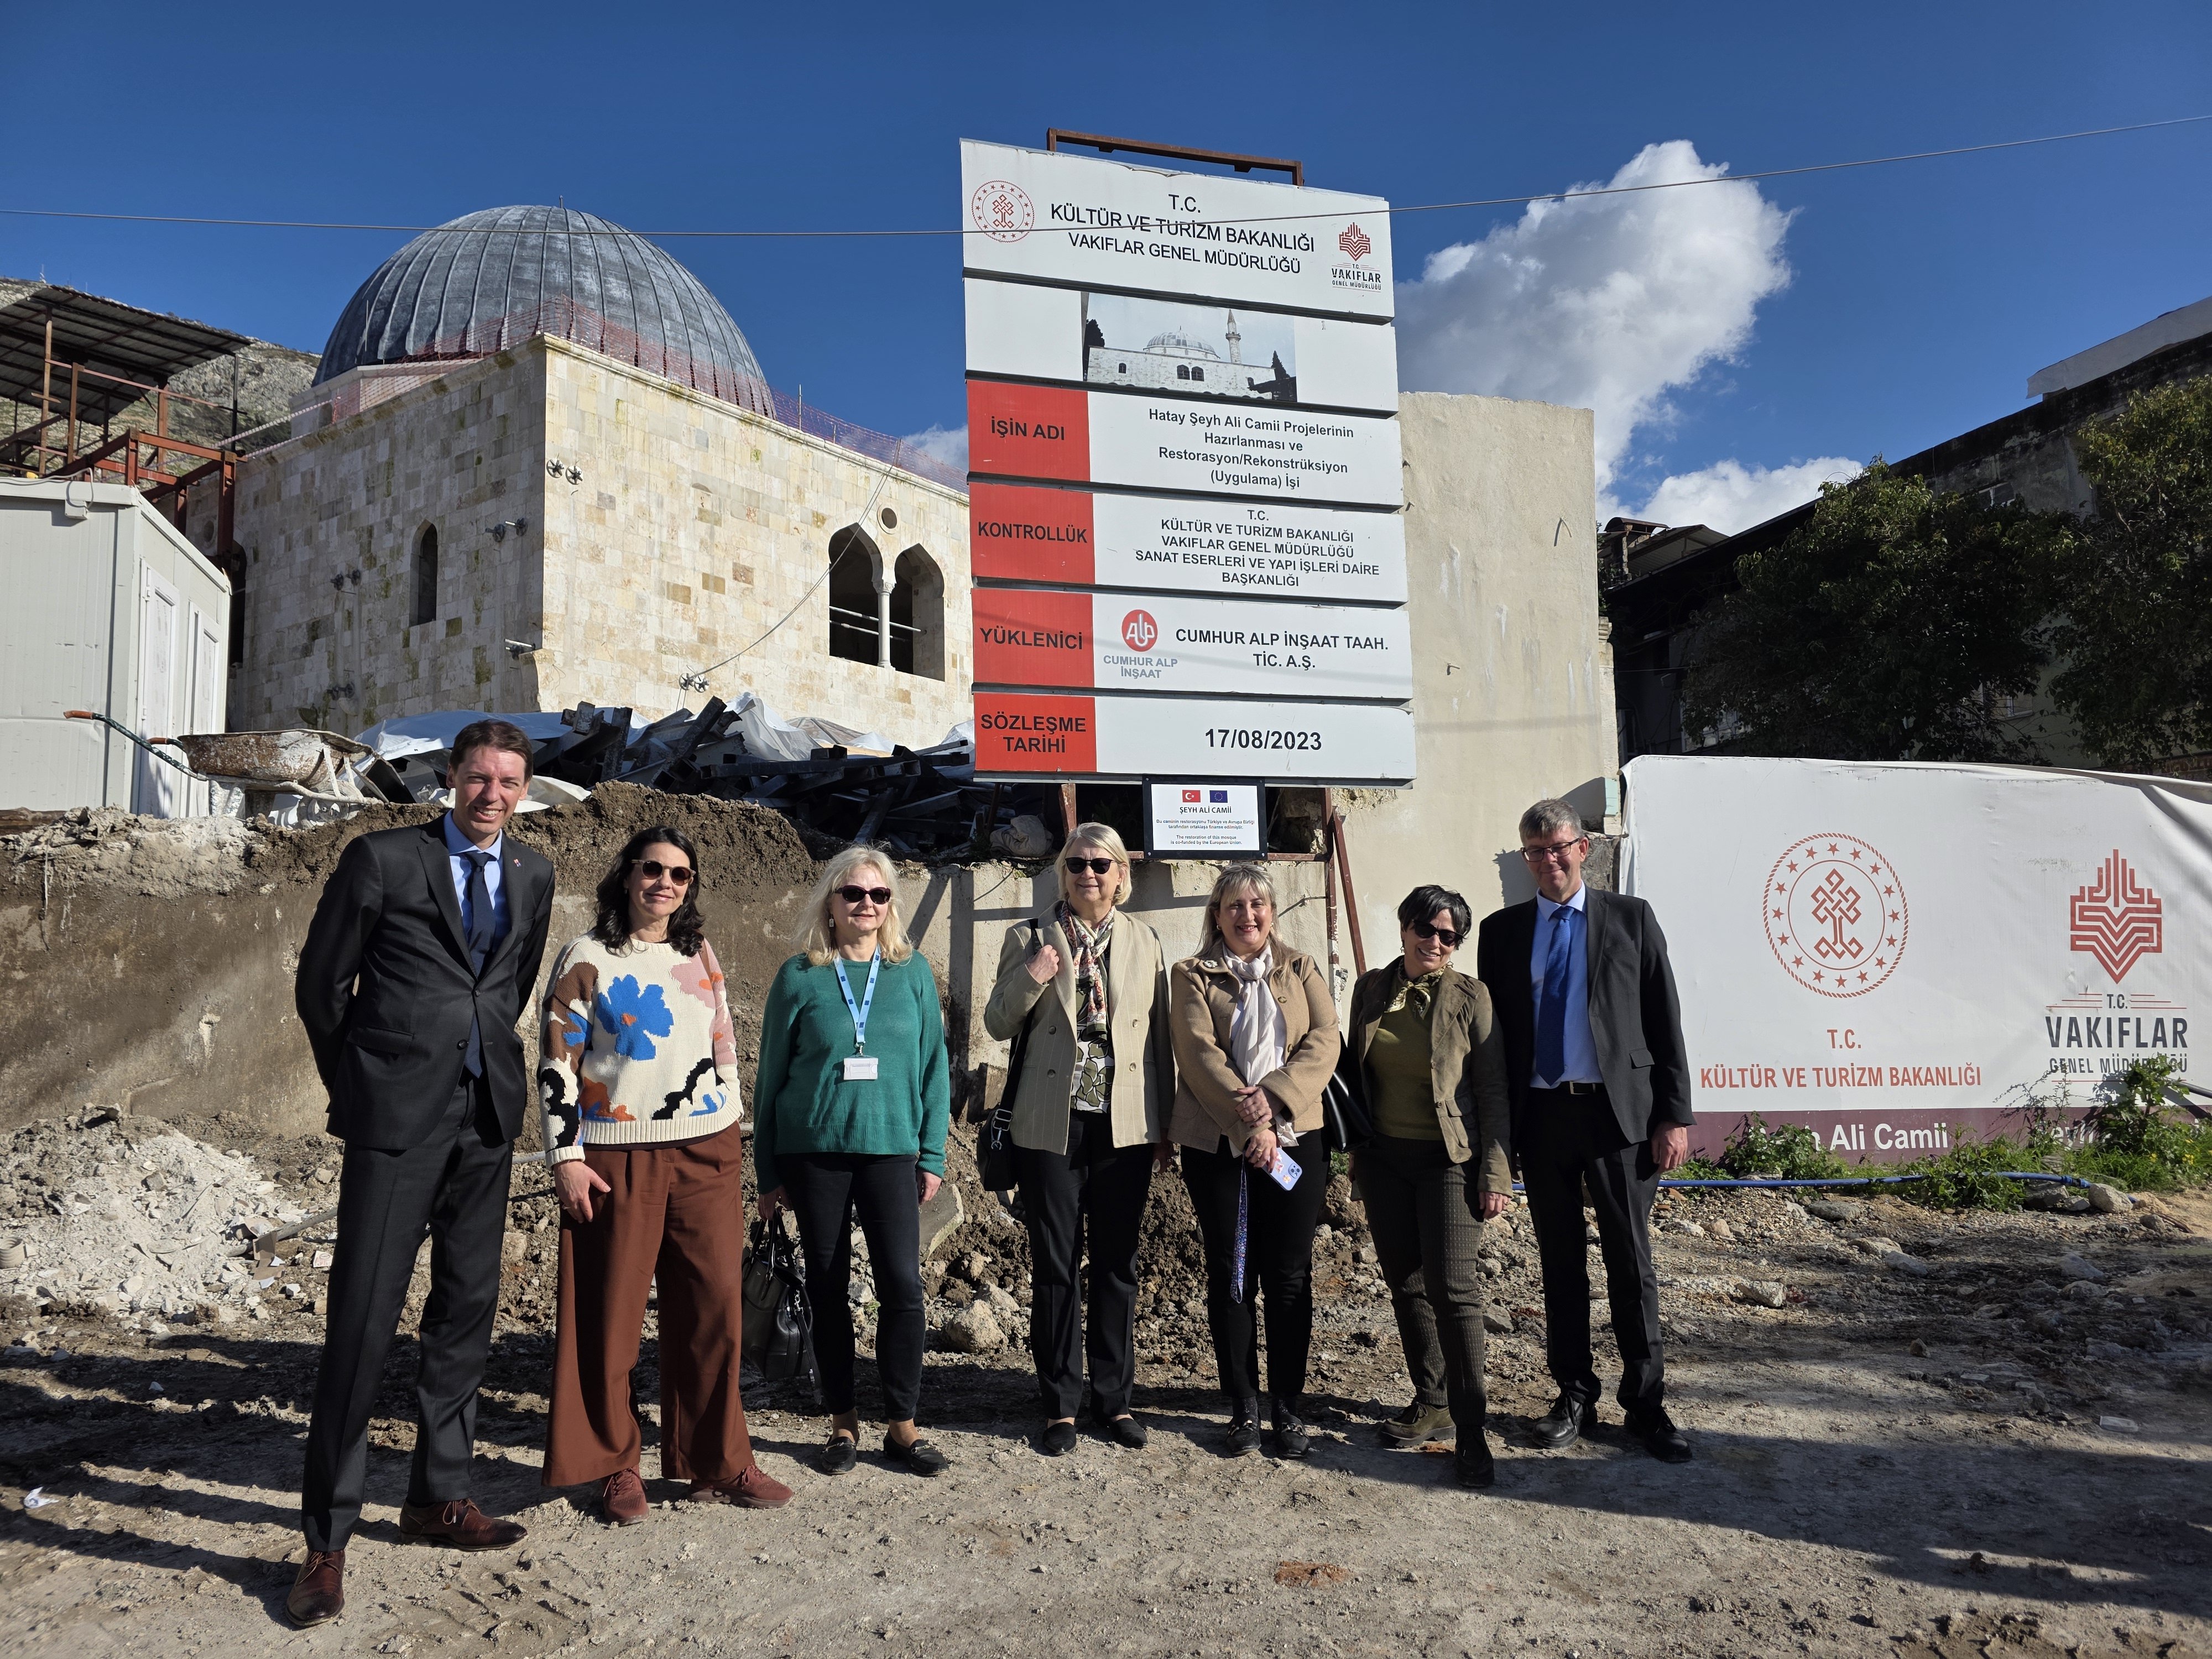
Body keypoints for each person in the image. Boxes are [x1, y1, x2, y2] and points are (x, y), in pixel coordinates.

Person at [288, 720, 556, 1629]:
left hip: (486, 1124)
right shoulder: (383, 861)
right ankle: (327, 1536)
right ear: (450, 779)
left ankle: (439, 1494)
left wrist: (477, 1058)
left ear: (525, 791)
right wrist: (364, 1082)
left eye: (509, 781)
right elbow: (321, 988)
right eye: (477, 777)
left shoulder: (533, 873)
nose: (492, 794)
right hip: (394, 1122)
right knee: (362, 1321)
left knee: (466, 1315)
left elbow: (505, 990)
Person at [538, 826, 793, 1523]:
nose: (665, 884)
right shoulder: (587, 956)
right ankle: (614, 1464)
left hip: (705, 1150)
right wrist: (565, 1156)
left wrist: (732, 1127)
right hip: (615, 1155)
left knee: (714, 1312)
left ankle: (717, 1460)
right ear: (626, 875)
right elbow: (556, 1062)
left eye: (680, 875)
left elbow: (724, 1044)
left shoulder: (697, 951)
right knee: (611, 1318)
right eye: (653, 870)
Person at [1474, 799, 1695, 1464]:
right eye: (1534, 851)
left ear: (1584, 849)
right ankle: (1573, 1392)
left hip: (1617, 1117)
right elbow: (1495, 1041)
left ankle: (1646, 1405)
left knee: (1631, 1262)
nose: (1548, 861)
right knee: (1560, 1264)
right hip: (1541, 1117)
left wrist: (1673, 1114)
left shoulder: (1629, 918)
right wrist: (1497, 1130)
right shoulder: (1502, 931)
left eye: (1558, 847)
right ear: (1525, 859)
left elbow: (1664, 1016)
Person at [754, 846, 951, 1477]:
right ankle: (842, 1423)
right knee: (829, 1289)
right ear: (831, 903)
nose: (866, 905)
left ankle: (902, 1424)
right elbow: (770, 1079)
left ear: (890, 905)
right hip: (813, 1152)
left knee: (902, 1286)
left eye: (879, 895)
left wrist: (932, 1151)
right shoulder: (800, 975)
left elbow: (934, 1067)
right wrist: (766, 1171)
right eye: (853, 894)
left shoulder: (912, 972)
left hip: (891, 1149)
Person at [982, 822, 1173, 1455]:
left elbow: (1160, 1041)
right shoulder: (1029, 937)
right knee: (1056, 1266)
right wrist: (1034, 975)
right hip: (1050, 1124)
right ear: (1061, 874)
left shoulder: (1146, 941)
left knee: (1117, 1265)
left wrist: (1164, 1123)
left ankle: (1114, 1402)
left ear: (1122, 875)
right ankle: (1060, 1405)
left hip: (1124, 1126)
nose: (1087, 875)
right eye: (1075, 865)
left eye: (1100, 865)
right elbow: (997, 1020)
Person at [1167, 864, 1341, 1458]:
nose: (1247, 916)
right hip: (1218, 1144)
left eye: (1258, 905)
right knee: (1232, 1273)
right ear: (1216, 915)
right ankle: (1243, 1406)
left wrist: (1273, 1103)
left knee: (1289, 1278)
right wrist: (1251, 1124)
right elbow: (1197, 1054)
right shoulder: (1189, 975)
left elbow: (1325, 1040)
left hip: (1296, 1138)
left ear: (1272, 913)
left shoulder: (1302, 967)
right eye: (1234, 906)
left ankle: (1287, 1407)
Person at [1349, 884, 1512, 1489]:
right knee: (1407, 1283)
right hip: (1385, 1159)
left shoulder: (1471, 997)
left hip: (1449, 1159)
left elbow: (1493, 1091)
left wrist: (1495, 1174)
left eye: (1449, 936)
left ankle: (1471, 1432)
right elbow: (1356, 1074)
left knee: (1454, 1288)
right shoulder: (1371, 989)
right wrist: (1355, 1155)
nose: (1436, 943)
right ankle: (1432, 1399)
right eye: (1427, 929)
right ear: (1405, 926)